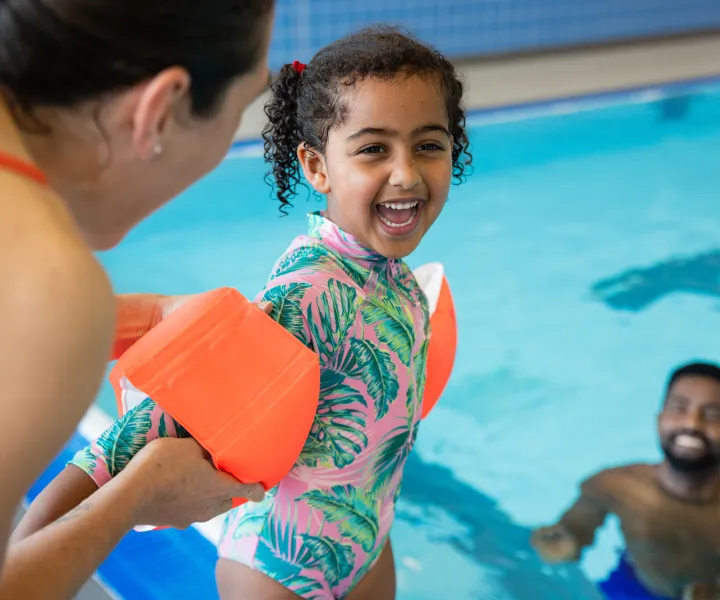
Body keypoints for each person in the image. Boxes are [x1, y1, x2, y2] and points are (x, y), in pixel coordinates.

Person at [17, 25, 472, 600]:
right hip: (279, 570)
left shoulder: (399, 281)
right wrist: (35, 537)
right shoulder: (310, 290)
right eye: (373, 149)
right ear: (317, 167)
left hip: (365, 541)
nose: (406, 173)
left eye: (428, 145)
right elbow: (154, 425)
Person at [0, 0, 276, 597]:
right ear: (163, 109)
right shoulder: (50, 282)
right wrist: (139, 493)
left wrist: (139, 320)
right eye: (245, 103)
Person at [530, 362, 720, 600]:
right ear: (660, 421)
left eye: (711, 415)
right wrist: (564, 544)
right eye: (679, 409)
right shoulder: (613, 486)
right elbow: (576, 528)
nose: (692, 424)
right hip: (635, 589)